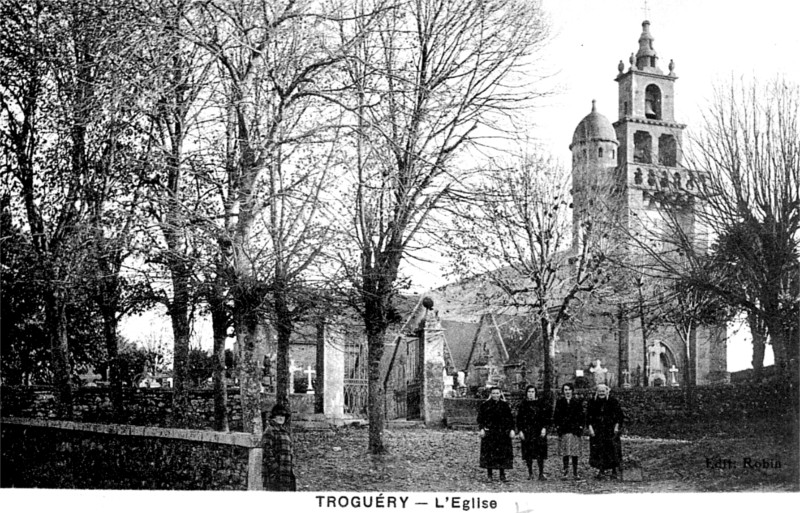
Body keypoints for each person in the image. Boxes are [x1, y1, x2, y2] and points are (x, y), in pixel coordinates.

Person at [477, 387, 515, 482]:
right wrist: (481, 429)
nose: (495, 395)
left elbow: (510, 419)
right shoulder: (485, 405)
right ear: (491, 394)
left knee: (502, 453)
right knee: (489, 453)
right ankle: (489, 475)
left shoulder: (505, 405)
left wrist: (511, 430)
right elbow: (480, 419)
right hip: (490, 432)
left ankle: (502, 474)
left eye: (497, 393)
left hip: (502, 432)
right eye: (493, 393)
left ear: (500, 394)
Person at [587, 384, 624, 480]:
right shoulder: (592, 402)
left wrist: (616, 427)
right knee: (598, 450)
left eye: (603, 391)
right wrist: (590, 427)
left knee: (612, 449)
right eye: (599, 391)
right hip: (597, 430)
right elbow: (588, 416)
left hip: (610, 429)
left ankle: (614, 471)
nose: (601, 393)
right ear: (597, 392)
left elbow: (619, 416)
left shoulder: (613, 401)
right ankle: (601, 470)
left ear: (607, 391)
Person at [516, 385, 550, 480]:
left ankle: (541, 473)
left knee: (540, 453)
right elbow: (519, 419)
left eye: (532, 392)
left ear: (535, 393)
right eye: (529, 392)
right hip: (527, 431)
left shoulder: (541, 403)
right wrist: (520, 431)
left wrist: (544, 428)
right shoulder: (523, 404)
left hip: (538, 431)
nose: (530, 394)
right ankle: (530, 472)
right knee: (528, 453)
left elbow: (546, 418)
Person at [552, 383, 584, 480]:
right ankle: (565, 472)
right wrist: (558, 426)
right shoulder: (560, 402)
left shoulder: (577, 402)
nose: (567, 392)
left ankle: (575, 472)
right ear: (563, 391)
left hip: (574, 430)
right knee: (565, 452)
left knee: (575, 452)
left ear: (572, 391)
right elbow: (556, 415)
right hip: (564, 430)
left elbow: (582, 416)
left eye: (569, 389)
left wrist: (581, 427)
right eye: (565, 390)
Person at [262, 403, 296, 491]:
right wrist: (275, 468)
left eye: (283, 416)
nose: (281, 418)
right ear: (273, 417)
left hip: (286, 470)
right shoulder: (270, 430)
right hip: (276, 473)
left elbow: (290, 450)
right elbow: (267, 451)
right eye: (279, 415)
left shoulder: (285, 432)